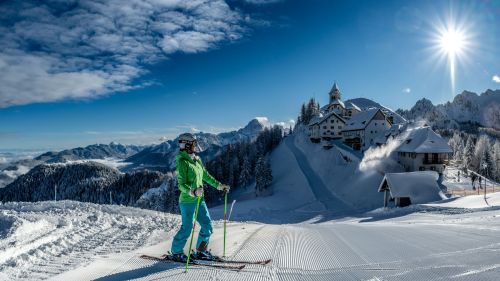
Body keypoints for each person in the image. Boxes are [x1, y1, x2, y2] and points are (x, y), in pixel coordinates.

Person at [170, 133, 230, 262]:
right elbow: (181, 185)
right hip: (187, 201)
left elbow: (206, 176)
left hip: (199, 200)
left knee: (207, 226)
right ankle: (176, 252)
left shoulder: (197, 160)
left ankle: (201, 251)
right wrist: (192, 191)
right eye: (194, 144)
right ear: (186, 145)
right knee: (187, 228)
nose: (196, 146)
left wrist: (219, 186)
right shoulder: (182, 162)